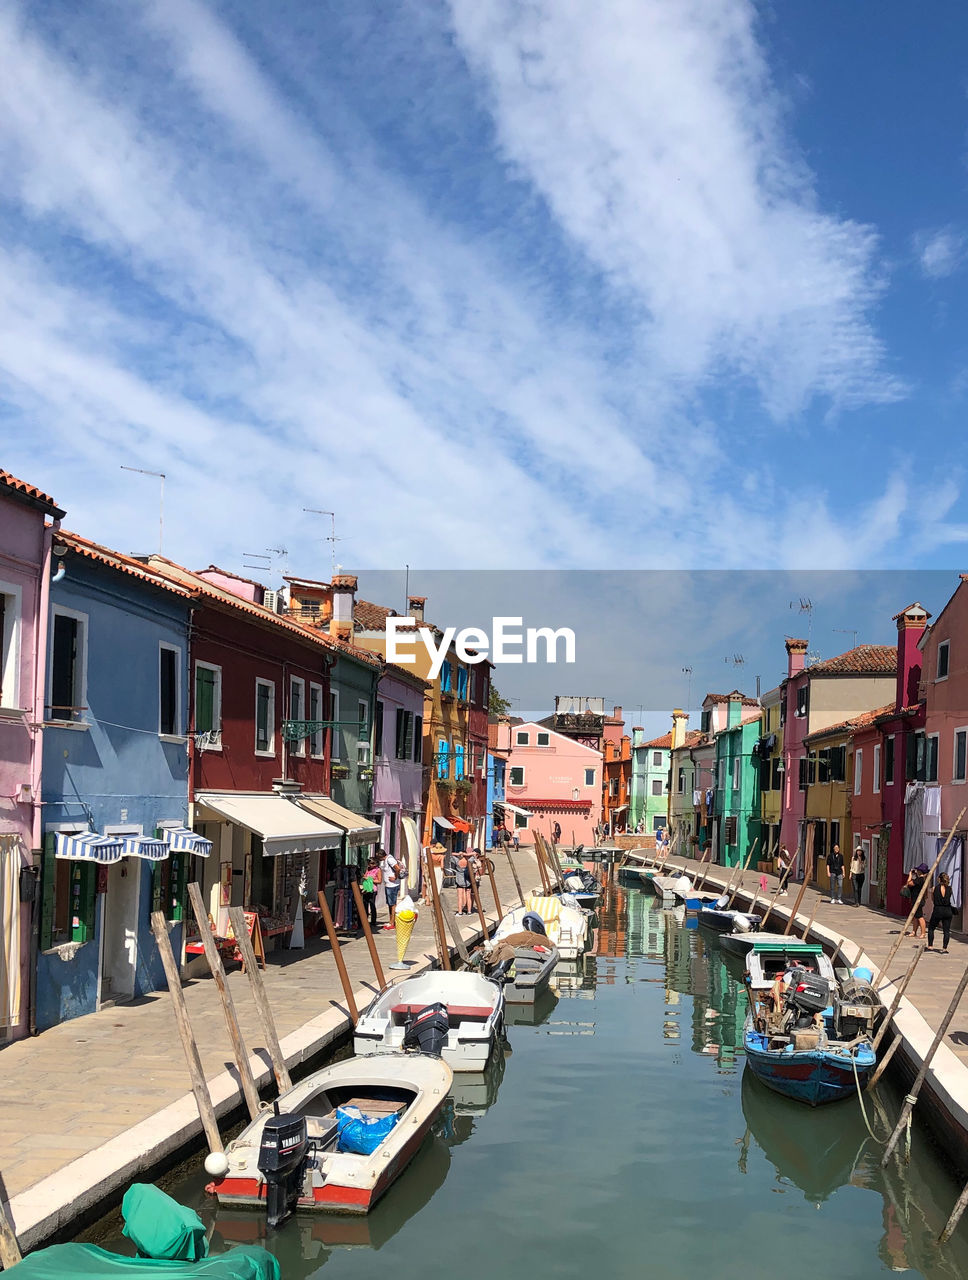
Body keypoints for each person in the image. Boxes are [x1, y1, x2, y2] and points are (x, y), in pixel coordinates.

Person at [928, 872, 954, 953]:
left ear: (939, 879)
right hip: (947, 910)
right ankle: (944, 948)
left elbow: (933, 899)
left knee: (931, 928)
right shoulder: (950, 889)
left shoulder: (934, 888)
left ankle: (930, 946)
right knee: (946, 930)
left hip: (938, 910)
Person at [381, 847, 403, 930]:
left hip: (392, 885)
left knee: (392, 904)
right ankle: (391, 921)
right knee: (390, 904)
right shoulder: (387, 860)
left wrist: (395, 877)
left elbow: (397, 868)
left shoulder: (390, 860)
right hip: (389, 885)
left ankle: (392, 923)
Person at [903, 865, 928, 939]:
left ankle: (923, 933)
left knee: (920, 916)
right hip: (916, 899)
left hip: (918, 900)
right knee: (915, 917)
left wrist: (910, 875)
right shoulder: (921, 879)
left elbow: (909, 883)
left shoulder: (920, 879)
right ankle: (914, 931)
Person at [360, 852, 380, 927]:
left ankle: (373, 921)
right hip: (366, 888)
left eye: (371, 863)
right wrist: (365, 877)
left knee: (372, 904)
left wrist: (370, 879)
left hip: (372, 889)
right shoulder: (368, 869)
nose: (369, 865)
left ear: (375, 864)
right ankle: (364, 920)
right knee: (365, 904)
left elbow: (379, 881)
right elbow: (365, 875)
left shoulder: (378, 870)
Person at [454, 849, 472, 915]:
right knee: (468, 896)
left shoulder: (457, 861)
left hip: (459, 881)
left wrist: (458, 854)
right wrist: (467, 855)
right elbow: (474, 854)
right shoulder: (469, 861)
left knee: (460, 897)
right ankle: (469, 911)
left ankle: (460, 912)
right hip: (468, 880)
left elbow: (450, 854)